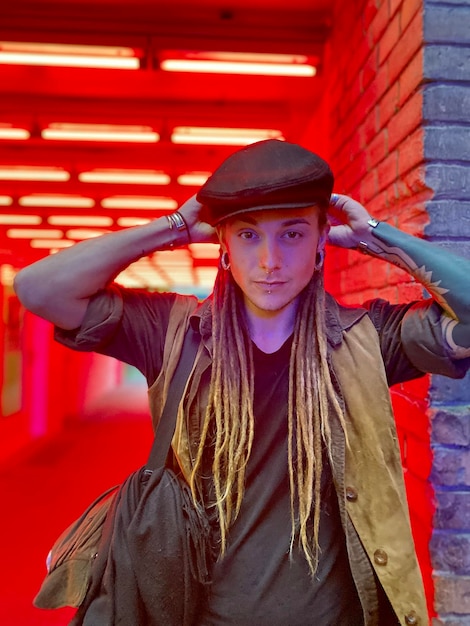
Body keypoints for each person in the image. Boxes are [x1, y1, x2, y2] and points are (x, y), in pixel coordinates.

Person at [14, 139, 470, 626]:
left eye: (292, 234)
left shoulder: (367, 340)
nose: (270, 260)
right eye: (249, 235)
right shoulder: (174, 333)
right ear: (224, 245)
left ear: (321, 240)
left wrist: (378, 237)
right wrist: (171, 230)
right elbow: (39, 289)